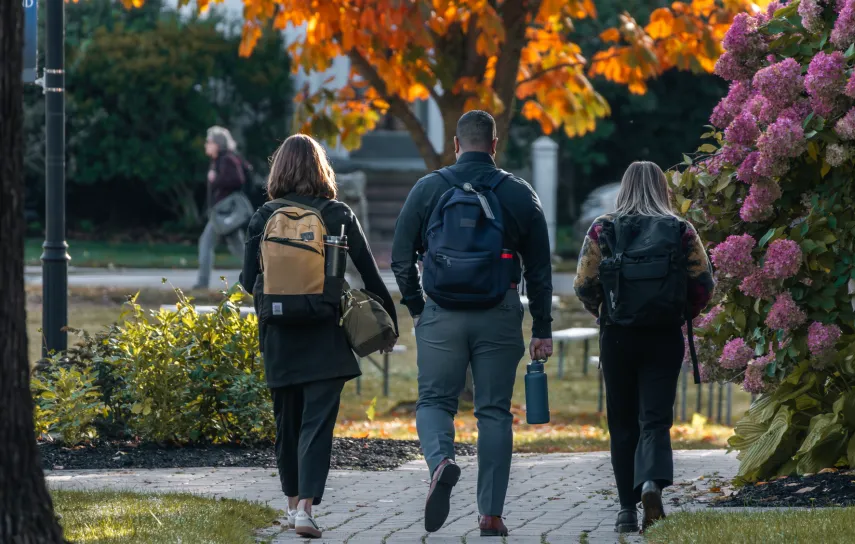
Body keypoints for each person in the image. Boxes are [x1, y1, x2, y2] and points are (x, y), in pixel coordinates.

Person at [391, 110, 554, 537]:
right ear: (495, 146)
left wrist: (417, 307)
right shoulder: (518, 193)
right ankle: (491, 515)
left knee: (433, 402)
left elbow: (399, 255)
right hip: (499, 313)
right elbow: (539, 268)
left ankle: (441, 461)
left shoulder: (429, 188)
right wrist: (542, 327)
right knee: (494, 412)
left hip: (441, 312)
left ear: (456, 145)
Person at [240, 134, 399, 539]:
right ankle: (307, 509)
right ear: (321, 170)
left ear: (279, 171)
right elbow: (368, 273)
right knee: (316, 425)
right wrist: (388, 323)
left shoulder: (263, 217)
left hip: (278, 334)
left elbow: (246, 281)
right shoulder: (339, 215)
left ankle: (292, 507)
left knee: (286, 424)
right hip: (325, 334)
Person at [573, 161, 715, 534]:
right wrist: (683, 311)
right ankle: (652, 484)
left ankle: (625, 510)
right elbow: (704, 282)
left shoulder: (603, 228)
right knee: (654, 418)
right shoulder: (680, 229)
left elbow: (584, 284)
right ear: (661, 188)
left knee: (621, 422)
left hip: (617, 335)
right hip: (664, 335)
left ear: (624, 187)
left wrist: (601, 311)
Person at [194, 126, 248, 290]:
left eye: (209, 142)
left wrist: (216, 179)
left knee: (205, 243)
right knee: (240, 249)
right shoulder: (218, 160)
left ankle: (202, 283)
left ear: (217, 144)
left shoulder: (227, 160)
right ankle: (262, 277)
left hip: (223, 213)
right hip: (222, 213)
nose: (206, 145)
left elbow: (238, 180)